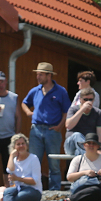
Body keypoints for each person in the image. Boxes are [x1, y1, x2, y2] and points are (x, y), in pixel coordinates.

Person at [21, 62, 70, 190]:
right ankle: (33, 189)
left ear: (49, 76)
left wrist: (60, 126)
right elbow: (24, 103)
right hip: (36, 130)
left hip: (52, 130)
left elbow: (67, 111)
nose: (38, 77)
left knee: (54, 163)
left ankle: (55, 191)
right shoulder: (35, 90)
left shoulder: (60, 91)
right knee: (33, 161)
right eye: (37, 74)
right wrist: (27, 112)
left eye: (41, 74)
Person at [0, 133, 41, 201]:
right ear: (14, 147)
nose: (21, 146)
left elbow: (34, 181)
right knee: (7, 191)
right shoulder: (14, 159)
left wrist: (18, 178)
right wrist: (11, 156)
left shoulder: (33, 158)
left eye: (23, 143)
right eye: (18, 144)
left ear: (27, 145)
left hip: (34, 190)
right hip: (19, 188)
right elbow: (9, 170)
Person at [63, 88, 101, 156]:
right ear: (80, 99)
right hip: (71, 145)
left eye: (90, 99)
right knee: (77, 135)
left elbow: (100, 133)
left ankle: (85, 156)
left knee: (79, 153)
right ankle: (88, 157)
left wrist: (99, 149)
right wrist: (82, 109)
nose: (88, 102)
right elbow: (68, 125)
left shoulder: (98, 112)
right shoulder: (73, 110)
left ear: (93, 100)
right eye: (85, 99)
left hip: (88, 145)